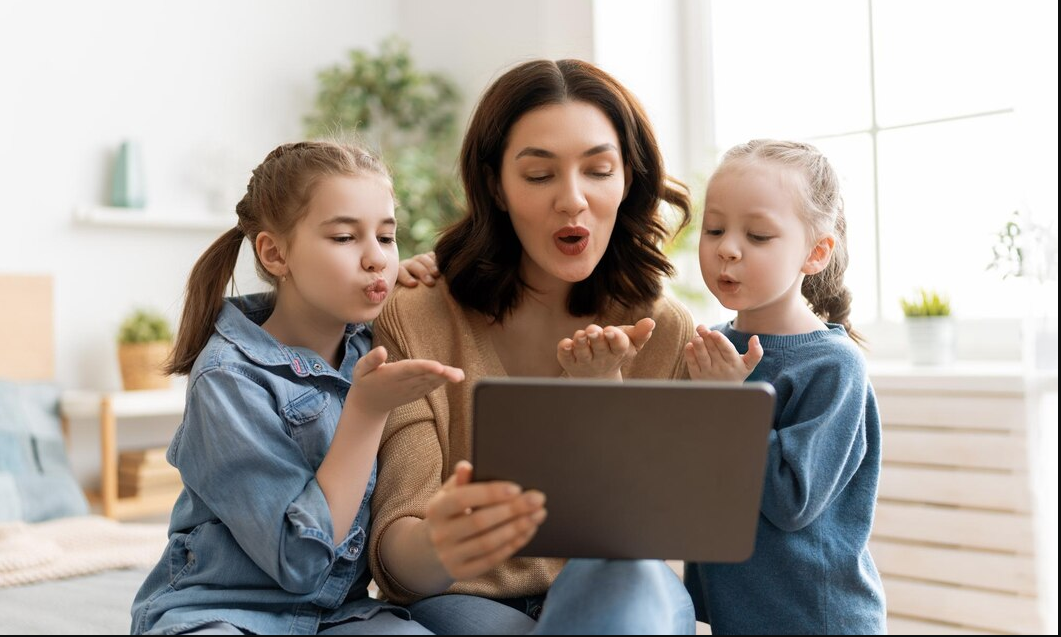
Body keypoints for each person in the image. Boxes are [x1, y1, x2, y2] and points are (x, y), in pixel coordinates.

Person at [368, 59, 697, 634]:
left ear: (628, 178)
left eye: (598, 170)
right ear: (496, 186)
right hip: (470, 603)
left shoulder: (664, 328)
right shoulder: (418, 314)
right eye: (540, 175)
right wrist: (438, 545)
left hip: (619, 593)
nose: (572, 200)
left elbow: (660, 528)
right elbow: (399, 561)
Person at [130, 141, 465, 635]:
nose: (376, 259)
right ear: (275, 252)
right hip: (222, 610)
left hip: (338, 613)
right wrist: (365, 412)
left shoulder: (373, 343)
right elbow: (298, 561)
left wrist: (411, 291)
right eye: (346, 237)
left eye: (387, 238)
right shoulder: (227, 378)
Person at [682, 139, 886, 634]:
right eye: (714, 229)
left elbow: (791, 502)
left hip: (817, 619)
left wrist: (733, 403)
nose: (727, 248)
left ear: (815, 253)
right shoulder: (711, 349)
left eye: (757, 234)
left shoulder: (834, 367)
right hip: (737, 616)